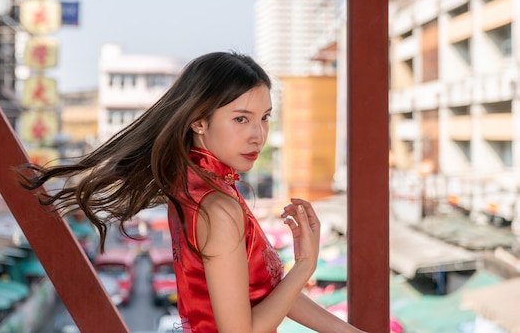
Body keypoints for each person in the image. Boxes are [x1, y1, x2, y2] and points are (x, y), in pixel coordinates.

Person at [18, 51, 367, 333]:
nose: (258, 135)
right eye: (241, 119)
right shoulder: (217, 207)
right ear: (199, 121)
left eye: (265, 117)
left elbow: (266, 296)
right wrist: (304, 266)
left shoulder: (199, 188)